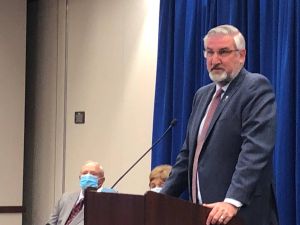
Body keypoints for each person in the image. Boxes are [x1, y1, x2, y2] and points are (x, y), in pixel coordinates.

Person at [160, 25, 278, 225]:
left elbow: (255, 150)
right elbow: (188, 156)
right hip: (201, 214)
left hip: (239, 215)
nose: (215, 60)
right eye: (209, 53)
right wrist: (160, 200)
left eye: (223, 52)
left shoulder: (255, 88)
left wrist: (232, 202)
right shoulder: (202, 95)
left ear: (242, 55)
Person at [46, 161, 105, 225]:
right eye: (84, 173)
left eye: (93, 174)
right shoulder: (65, 198)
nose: (88, 176)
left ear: (101, 181)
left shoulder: (104, 205)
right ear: (80, 178)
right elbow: (51, 223)